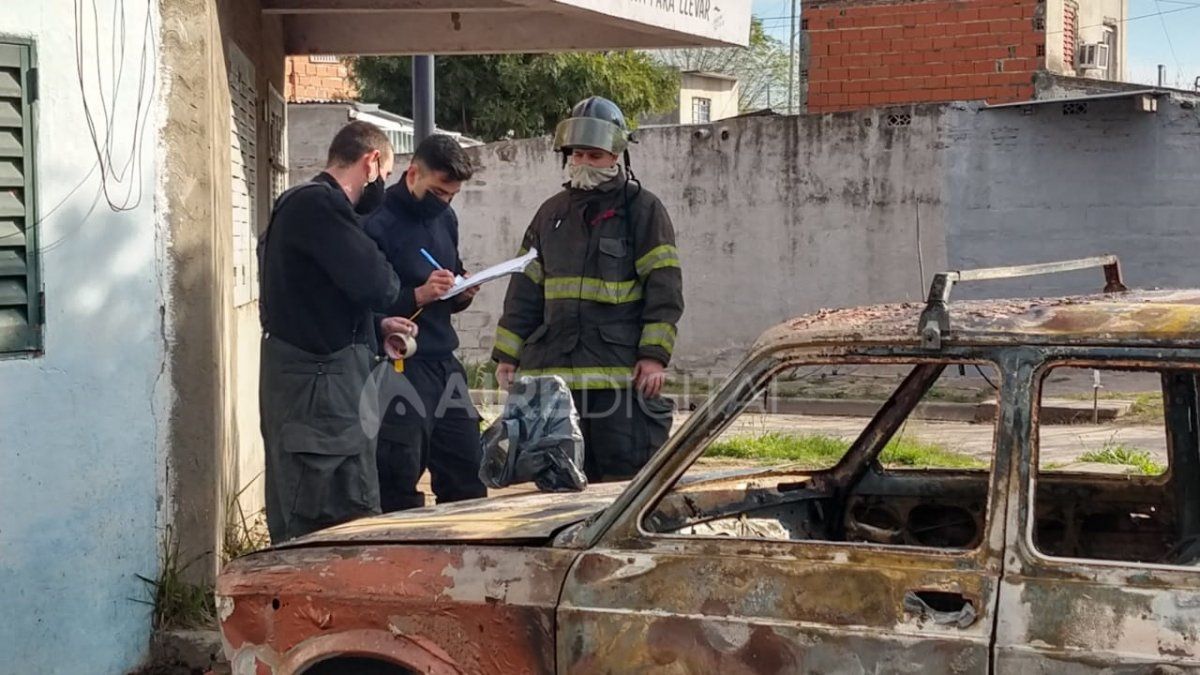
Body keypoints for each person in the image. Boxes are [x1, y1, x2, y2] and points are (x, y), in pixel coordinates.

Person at [491, 97, 685, 483]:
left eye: (594, 155)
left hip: (619, 377)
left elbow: (664, 288)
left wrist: (654, 356)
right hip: (555, 375)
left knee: (620, 480)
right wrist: (508, 354)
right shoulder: (551, 214)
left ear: (616, 154)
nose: (583, 163)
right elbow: (525, 288)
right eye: (578, 154)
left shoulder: (642, 210)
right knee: (558, 481)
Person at [258, 121, 418, 543]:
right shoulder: (320, 207)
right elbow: (380, 283)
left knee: (335, 510)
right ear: (371, 163)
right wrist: (382, 298)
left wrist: (376, 326)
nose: (384, 186)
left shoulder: (302, 206)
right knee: (332, 519)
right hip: (319, 392)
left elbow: (316, 296)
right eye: (385, 176)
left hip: (317, 384)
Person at [362, 134, 489, 511]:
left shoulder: (446, 218)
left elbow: (446, 287)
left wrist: (461, 291)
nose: (444, 203)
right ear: (413, 173)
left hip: (444, 363)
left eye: (452, 196)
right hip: (399, 365)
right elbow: (364, 303)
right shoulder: (376, 221)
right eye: (437, 193)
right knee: (398, 476)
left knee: (468, 471)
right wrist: (416, 295)